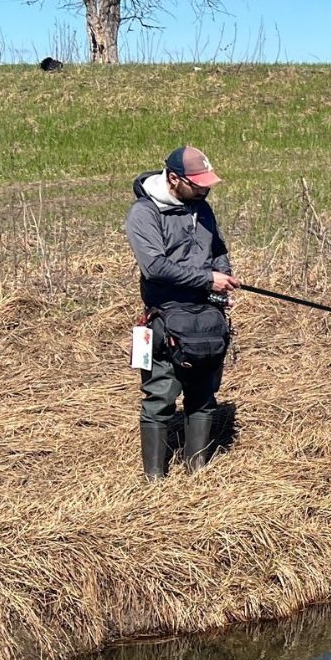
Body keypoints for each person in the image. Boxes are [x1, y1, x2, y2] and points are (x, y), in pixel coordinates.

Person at [124, 146, 239, 479]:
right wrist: (207, 279)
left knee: (203, 397)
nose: (205, 190)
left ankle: (197, 473)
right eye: (197, 184)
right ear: (173, 178)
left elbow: (217, 251)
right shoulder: (143, 214)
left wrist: (223, 283)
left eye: (207, 184)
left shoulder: (202, 208)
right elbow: (155, 267)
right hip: (166, 318)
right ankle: (154, 481)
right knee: (160, 398)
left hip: (207, 316)